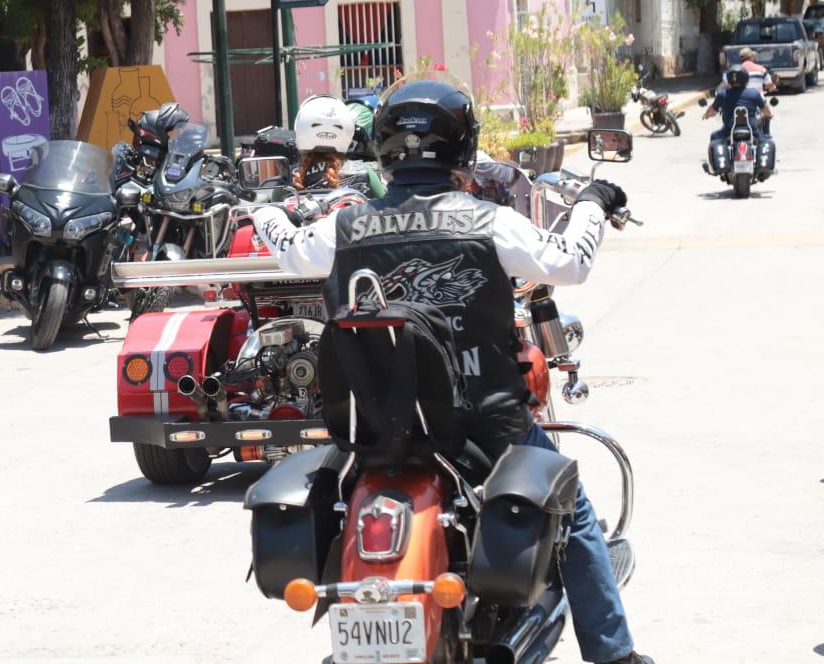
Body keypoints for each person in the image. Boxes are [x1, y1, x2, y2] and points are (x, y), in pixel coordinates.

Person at [251, 73, 651, 664]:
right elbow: (569, 263)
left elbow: (285, 246)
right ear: (461, 148)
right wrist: (592, 203)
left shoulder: (345, 226)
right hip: (486, 424)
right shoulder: (488, 221)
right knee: (574, 507)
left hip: (376, 430)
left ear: (384, 149)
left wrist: (264, 210)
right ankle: (613, 654)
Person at [291, 95, 386, 198]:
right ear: (348, 129)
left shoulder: (289, 177)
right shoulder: (365, 173)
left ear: (300, 128)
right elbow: (384, 208)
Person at [702, 64, 773, 176]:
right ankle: (763, 166)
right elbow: (766, 111)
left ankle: (712, 167)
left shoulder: (723, 94)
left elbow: (712, 110)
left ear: (729, 80)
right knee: (765, 141)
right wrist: (769, 115)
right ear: (746, 78)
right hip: (752, 129)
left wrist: (706, 115)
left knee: (714, 137)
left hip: (729, 129)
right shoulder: (754, 93)